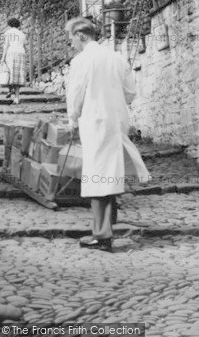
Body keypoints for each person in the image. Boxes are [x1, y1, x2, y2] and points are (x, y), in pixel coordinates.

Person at [66, 17, 149, 253]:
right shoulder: (116, 58)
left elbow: (76, 94)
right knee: (110, 173)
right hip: (116, 121)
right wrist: (115, 105)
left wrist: (73, 118)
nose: (71, 43)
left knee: (96, 176)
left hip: (95, 122)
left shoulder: (82, 60)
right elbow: (131, 92)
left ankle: (102, 236)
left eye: (71, 38)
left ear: (81, 35)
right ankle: (107, 227)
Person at [0, 18, 26, 104]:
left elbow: (6, 46)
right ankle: (17, 98)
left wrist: (3, 58)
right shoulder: (22, 34)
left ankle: (10, 90)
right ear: (18, 24)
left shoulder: (8, 32)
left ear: (9, 24)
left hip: (11, 53)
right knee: (17, 75)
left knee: (9, 72)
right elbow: (24, 46)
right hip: (21, 53)